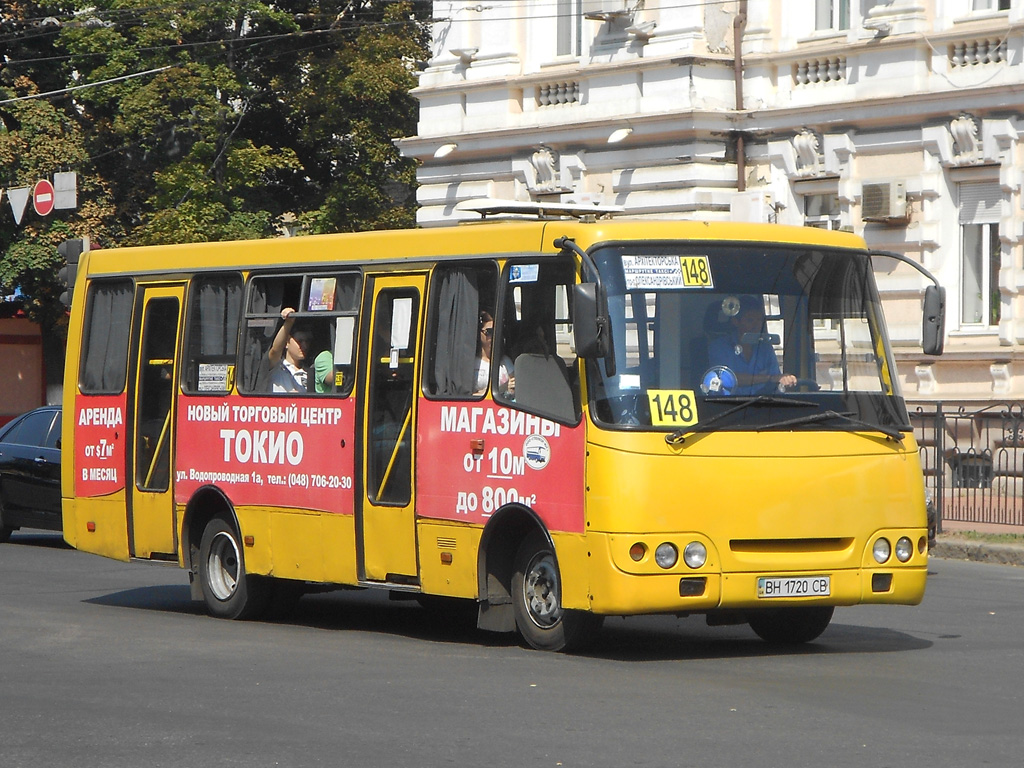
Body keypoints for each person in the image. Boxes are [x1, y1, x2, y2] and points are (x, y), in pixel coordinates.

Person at [707, 295, 797, 395]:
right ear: (736, 321)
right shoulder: (719, 346)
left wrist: (785, 379)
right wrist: (768, 378)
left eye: (759, 320)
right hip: (728, 405)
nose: (756, 325)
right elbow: (726, 378)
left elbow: (776, 378)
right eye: (750, 320)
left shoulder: (765, 348)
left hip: (765, 405)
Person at [267, 307, 311, 392]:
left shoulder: (310, 373)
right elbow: (275, 350)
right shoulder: (276, 366)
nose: (304, 346)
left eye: (307, 341)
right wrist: (289, 322)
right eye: (300, 341)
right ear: (287, 342)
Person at [474, 311, 514, 396]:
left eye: (496, 332)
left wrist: (512, 388)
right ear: (479, 334)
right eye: (489, 332)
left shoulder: (506, 361)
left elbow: (515, 387)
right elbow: (467, 395)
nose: (493, 336)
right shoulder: (471, 363)